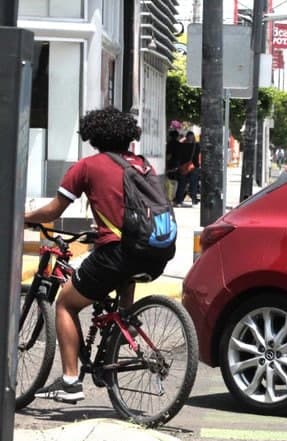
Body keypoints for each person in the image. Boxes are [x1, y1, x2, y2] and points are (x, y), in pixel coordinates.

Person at [24, 107, 173, 403]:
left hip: (117, 252)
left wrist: (24, 216)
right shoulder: (142, 165)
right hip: (155, 251)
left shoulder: (88, 166)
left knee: (65, 304)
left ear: (93, 136)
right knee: (123, 271)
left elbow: (54, 210)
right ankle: (125, 323)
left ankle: (69, 382)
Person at [172, 131, 200, 207]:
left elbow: (178, 157)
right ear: (193, 137)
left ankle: (179, 201)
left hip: (183, 167)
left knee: (182, 184)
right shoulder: (196, 146)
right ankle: (194, 201)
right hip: (194, 167)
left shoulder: (181, 146)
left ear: (186, 137)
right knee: (193, 184)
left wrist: (177, 166)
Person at [164, 128, 181, 201]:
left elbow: (169, 155)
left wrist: (166, 163)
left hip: (171, 164)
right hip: (177, 164)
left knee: (170, 180)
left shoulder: (170, 144)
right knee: (175, 181)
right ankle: (173, 197)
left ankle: (170, 196)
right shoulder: (179, 144)